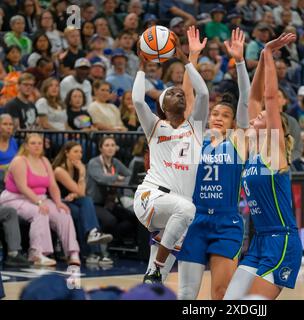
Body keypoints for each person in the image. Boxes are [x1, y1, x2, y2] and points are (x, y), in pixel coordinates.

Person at [224, 33, 302, 300]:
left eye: (263, 116)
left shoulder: (275, 151)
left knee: (253, 305)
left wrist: (268, 54)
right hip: (259, 242)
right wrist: (258, 57)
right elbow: (254, 99)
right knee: (230, 302)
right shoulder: (253, 148)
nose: (256, 114)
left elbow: (269, 98)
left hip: (282, 242)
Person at [177, 28, 250, 300]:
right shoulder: (196, 138)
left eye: (225, 115)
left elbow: (245, 99)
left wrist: (240, 62)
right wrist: (192, 57)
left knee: (220, 293)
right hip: (195, 219)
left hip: (226, 222)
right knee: (186, 293)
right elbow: (187, 98)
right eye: (214, 113)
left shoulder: (238, 141)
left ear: (233, 122)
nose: (217, 117)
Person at [132, 26, 209, 284]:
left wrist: (186, 60)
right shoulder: (155, 126)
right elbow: (138, 101)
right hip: (150, 196)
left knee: (155, 283)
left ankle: (154, 273)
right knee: (188, 208)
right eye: (172, 94)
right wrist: (142, 65)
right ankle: (156, 265)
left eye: (181, 93)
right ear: (163, 107)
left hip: (176, 214)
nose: (179, 94)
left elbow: (205, 93)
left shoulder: (195, 128)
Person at [0, 134, 80, 266]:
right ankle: (37, 254)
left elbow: (52, 185)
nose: (37, 146)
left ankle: (72, 252)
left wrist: (58, 202)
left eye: (39, 143)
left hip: (40, 198)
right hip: (15, 198)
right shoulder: (19, 160)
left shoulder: (44, 161)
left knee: (63, 213)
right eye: (33, 143)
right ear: (26, 145)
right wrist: (39, 203)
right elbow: (23, 187)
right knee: (40, 212)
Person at [52, 141, 114, 265]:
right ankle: (94, 252)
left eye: (81, 152)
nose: (79, 155)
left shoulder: (78, 166)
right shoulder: (59, 170)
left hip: (73, 200)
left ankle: (92, 246)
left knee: (85, 203)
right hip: (59, 202)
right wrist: (82, 173)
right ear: (66, 153)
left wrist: (75, 193)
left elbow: (81, 192)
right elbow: (81, 191)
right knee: (80, 209)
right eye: (75, 152)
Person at [87, 136, 134, 240]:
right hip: (94, 203)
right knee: (110, 220)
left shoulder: (115, 162)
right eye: (107, 145)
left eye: (113, 145)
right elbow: (101, 178)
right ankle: (105, 245)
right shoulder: (94, 163)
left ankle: (115, 243)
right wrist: (117, 177)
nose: (110, 148)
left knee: (132, 217)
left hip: (110, 203)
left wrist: (121, 179)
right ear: (100, 148)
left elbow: (130, 175)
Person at [0, 114, 18, 179]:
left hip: (12, 175)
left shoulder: (14, 141)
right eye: (5, 124)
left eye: (10, 124)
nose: (9, 127)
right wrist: (7, 168)